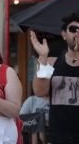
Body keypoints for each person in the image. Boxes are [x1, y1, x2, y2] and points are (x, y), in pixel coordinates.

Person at [30, 10, 79, 143]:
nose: (77, 32)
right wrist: (42, 57)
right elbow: (40, 91)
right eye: (73, 29)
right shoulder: (51, 62)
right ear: (64, 35)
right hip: (58, 138)